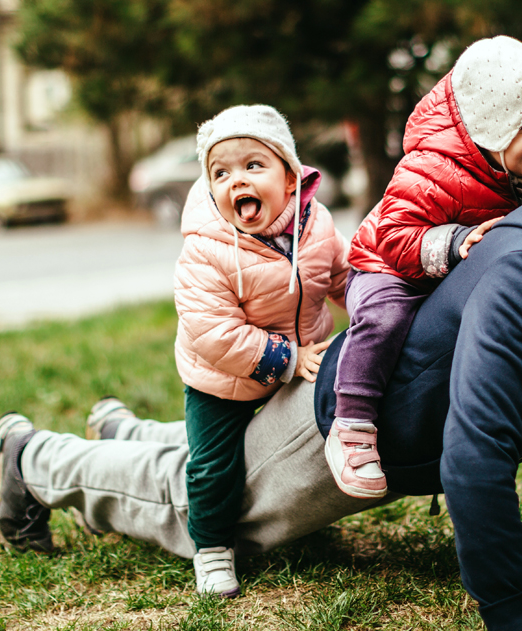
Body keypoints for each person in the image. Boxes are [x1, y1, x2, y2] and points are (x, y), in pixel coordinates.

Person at [0, 129, 522, 631]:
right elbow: (475, 458)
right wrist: (517, 620)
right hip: (342, 429)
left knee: (202, 459)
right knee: (187, 504)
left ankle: (130, 430)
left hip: (380, 417)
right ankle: (32, 460)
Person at [328, 35, 522, 500]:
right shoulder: (427, 169)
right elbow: (393, 236)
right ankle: (352, 422)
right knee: (384, 320)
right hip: (390, 266)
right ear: (488, 126)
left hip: (458, 268)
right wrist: (453, 242)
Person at [175, 104, 349, 596]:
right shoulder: (206, 248)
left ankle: (304, 508)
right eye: (221, 172)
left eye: (254, 165)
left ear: (291, 178)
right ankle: (211, 547)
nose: (237, 180)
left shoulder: (316, 225)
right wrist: (288, 360)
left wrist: (371, 304)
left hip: (303, 354)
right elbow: (213, 331)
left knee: (312, 432)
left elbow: (340, 276)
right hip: (222, 376)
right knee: (213, 463)